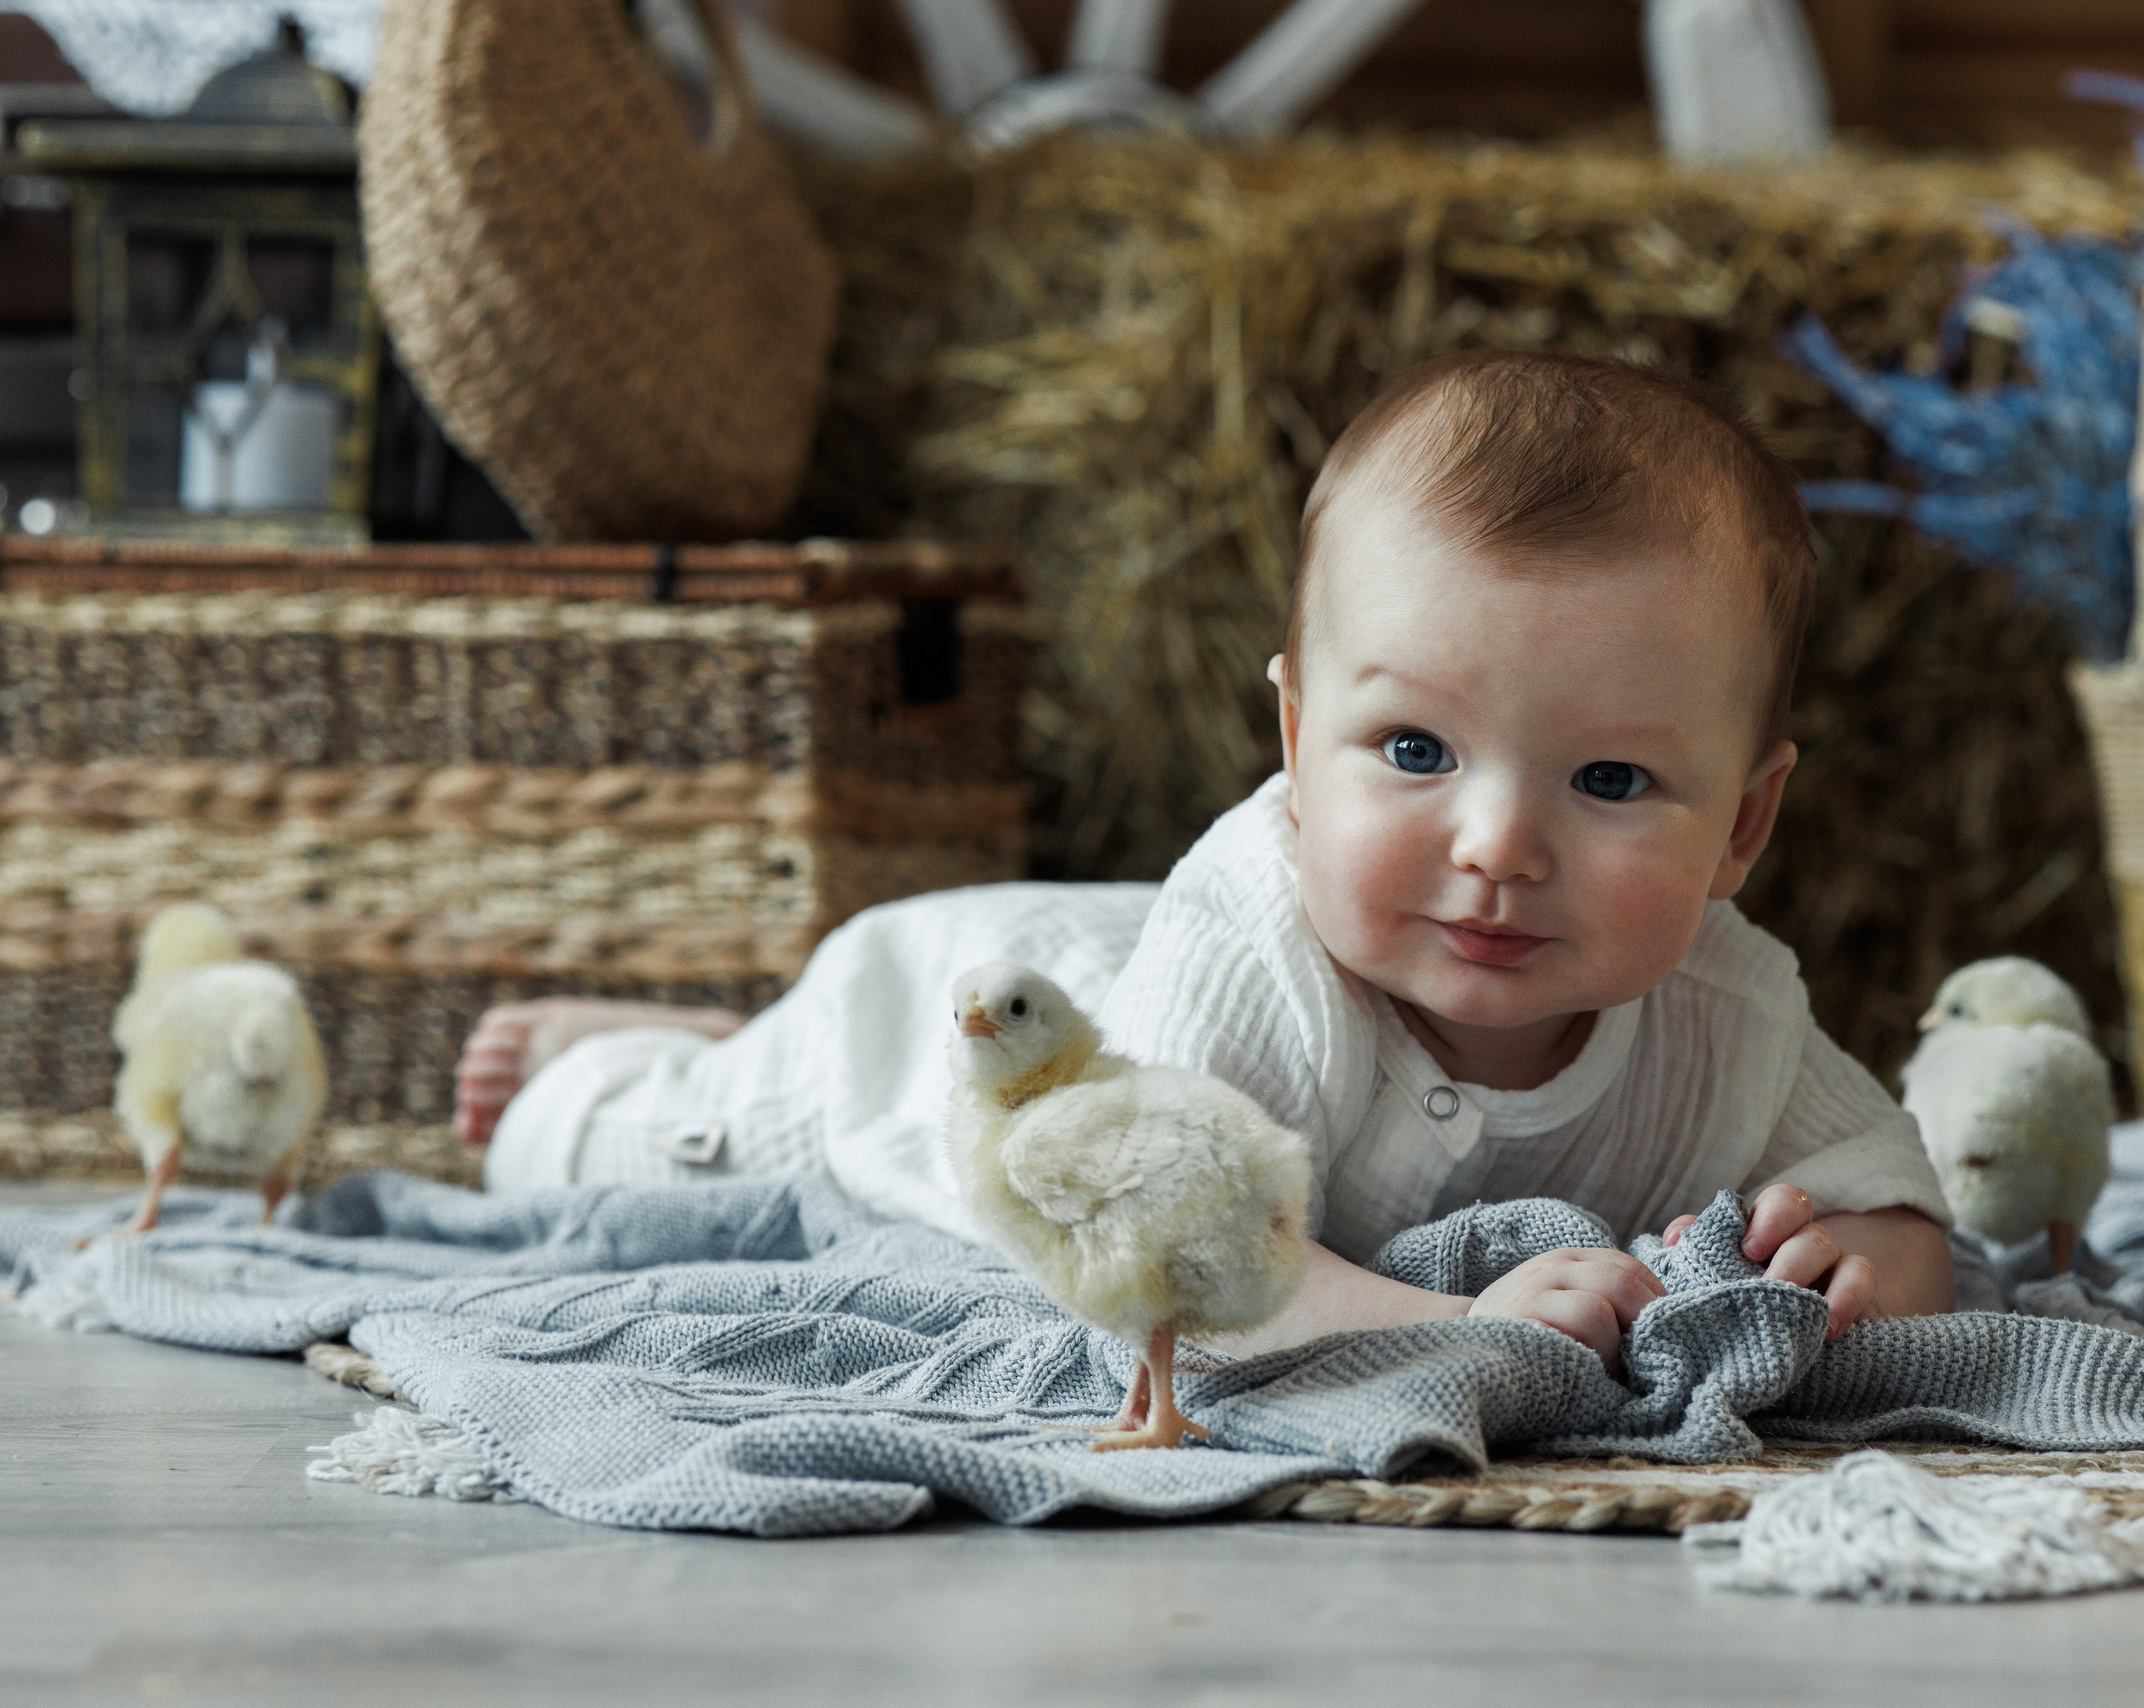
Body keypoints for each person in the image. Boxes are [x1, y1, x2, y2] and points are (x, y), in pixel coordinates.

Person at [459, 349, 1955, 1372]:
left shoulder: (1729, 1007)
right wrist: (1456, 1327)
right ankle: (617, 1061)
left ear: (1742, 830)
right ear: (1296, 746)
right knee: (651, 1148)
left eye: (1613, 780)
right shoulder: (1256, 950)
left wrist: (1879, 1260)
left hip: (1121, 985)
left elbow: (1885, 1182)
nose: (1499, 848)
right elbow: (1170, 1267)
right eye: (1416, 754)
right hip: (923, 1045)